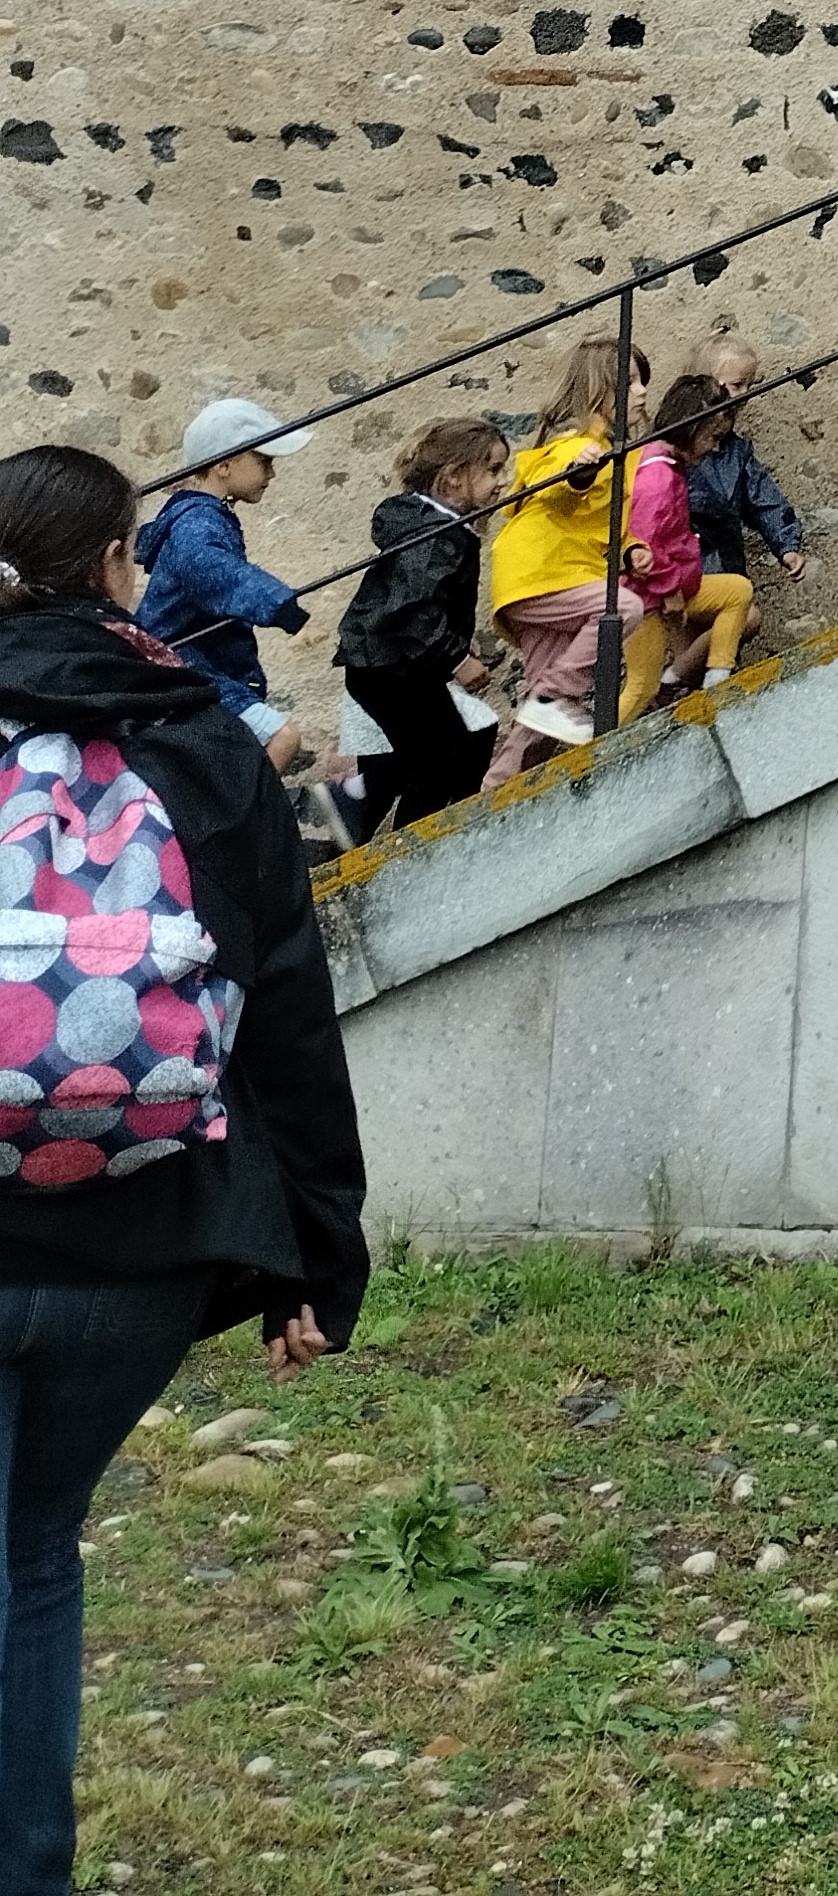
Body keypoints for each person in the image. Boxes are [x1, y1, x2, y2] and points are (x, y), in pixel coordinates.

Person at [0, 442, 368, 1896]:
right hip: (139, 1239)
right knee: (34, 1554)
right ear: (115, 567)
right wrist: (315, 1257)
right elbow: (286, 1019)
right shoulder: (202, 742)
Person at [483, 338, 664, 785]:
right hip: (542, 573)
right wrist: (579, 472)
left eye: (643, 381)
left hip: (548, 578)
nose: (641, 392)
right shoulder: (574, 444)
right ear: (595, 392)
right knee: (623, 608)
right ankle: (553, 700)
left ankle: (495, 787)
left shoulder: (621, 454)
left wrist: (629, 550)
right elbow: (554, 486)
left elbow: (604, 524)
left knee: (542, 715)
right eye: (629, 383)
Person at [334, 410, 505, 836]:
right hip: (391, 667)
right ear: (452, 479)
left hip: (394, 664)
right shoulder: (433, 535)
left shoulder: (438, 525)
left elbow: (429, 603)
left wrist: (458, 643)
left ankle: (357, 810)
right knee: (437, 757)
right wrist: (455, 657)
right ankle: (411, 846)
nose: (503, 480)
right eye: (493, 470)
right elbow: (410, 609)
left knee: (455, 743)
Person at [133, 399, 317, 779]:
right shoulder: (197, 523)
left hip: (191, 661)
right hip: (183, 665)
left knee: (227, 758)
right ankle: (249, 815)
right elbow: (214, 571)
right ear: (224, 464)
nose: (272, 473)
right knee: (281, 738)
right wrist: (280, 605)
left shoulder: (200, 515)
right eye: (264, 461)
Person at [624, 375, 755, 696]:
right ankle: (604, 743)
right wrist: (669, 589)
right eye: (712, 436)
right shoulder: (657, 478)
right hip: (650, 595)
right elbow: (646, 542)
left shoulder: (666, 465)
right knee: (640, 687)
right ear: (692, 428)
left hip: (674, 584)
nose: (715, 446)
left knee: (737, 591)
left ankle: (715, 674)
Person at [682, 335, 809, 598]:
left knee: (737, 623)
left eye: (749, 385)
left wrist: (786, 546)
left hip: (727, 566)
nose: (745, 394)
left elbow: (764, 499)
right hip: (684, 568)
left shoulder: (736, 452)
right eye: (737, 385)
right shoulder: (674, 447)